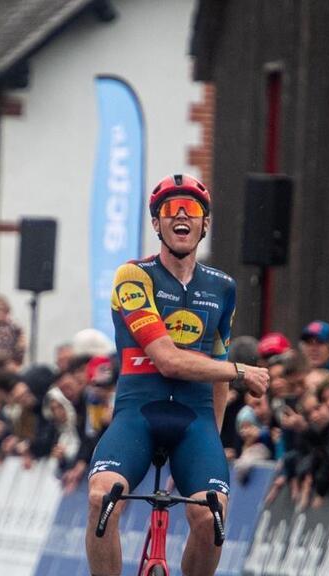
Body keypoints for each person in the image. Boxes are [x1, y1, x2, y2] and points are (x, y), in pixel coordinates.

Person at [85, 174, 269, 576]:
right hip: (138, 414)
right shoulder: (134, 276)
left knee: (211, 516)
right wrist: (240, 371)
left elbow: (216, 375)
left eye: (193, 210)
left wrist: (214, 442)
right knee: (102, 498)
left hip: (195, 420)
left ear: (205, 224)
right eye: (170, 209)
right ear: (157, 224)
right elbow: (167, 360)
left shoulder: (222, 287)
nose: (181, 216)